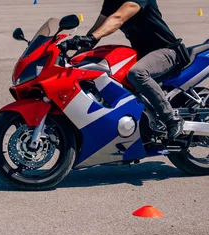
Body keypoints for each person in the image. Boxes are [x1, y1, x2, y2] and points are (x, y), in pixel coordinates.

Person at [63, 0, 188, 139]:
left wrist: (91, 37)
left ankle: (171, 119)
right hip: (143, 54)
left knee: (137, 73)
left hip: (167, 50)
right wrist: (73, 59)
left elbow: (118, 19)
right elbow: (98, 28)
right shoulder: (111, 2)